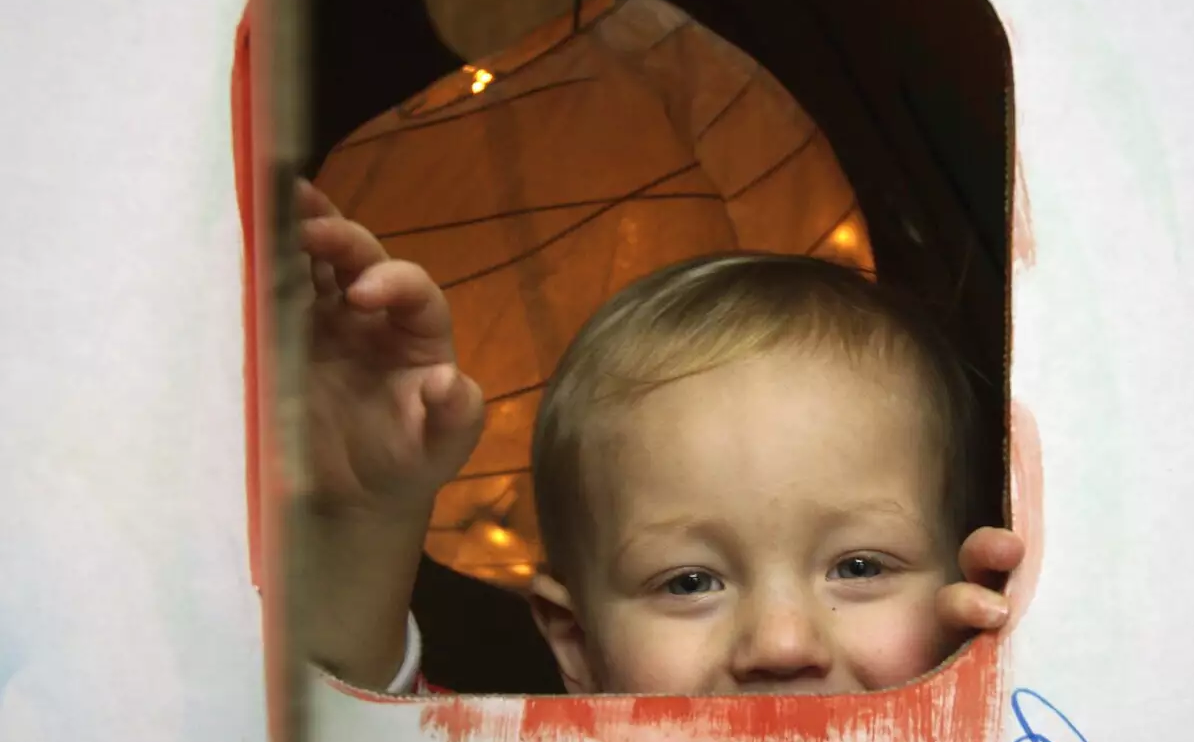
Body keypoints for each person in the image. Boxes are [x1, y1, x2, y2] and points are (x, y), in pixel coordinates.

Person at [299, 180, 1023, 695]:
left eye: (860, 568)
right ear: (575, 643)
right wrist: (360, 520)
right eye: (689, 582)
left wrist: (1016, 669)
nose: (780, 645)